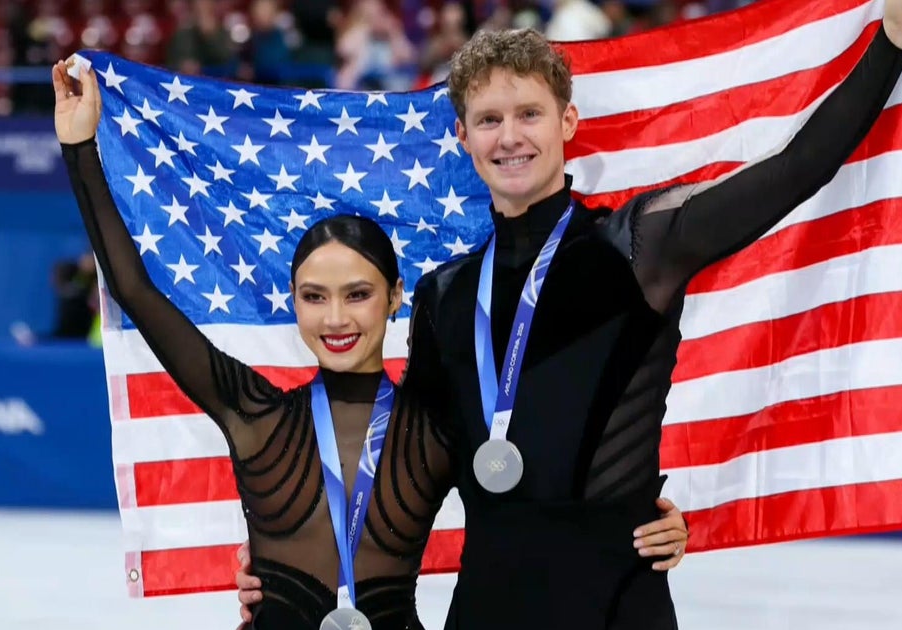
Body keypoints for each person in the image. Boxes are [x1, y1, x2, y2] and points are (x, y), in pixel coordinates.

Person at [246, 2, 902, 628]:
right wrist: (287, 571)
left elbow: (795, 170)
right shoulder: (444, 297)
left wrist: (891, 43)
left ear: (568, 122)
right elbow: (403, 478)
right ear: (463, 136)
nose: (509, 136)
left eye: (529, 114)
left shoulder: (640, 247)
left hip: (619, 604)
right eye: (489, 120)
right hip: (489, 608)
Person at [52, 61, 689, 630]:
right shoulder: (255, 415)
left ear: (394, 298)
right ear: (294, 304)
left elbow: (547, 482)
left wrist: (640, 514)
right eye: (314, 296)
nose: (336, 317)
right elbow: (134, 290)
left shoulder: (436, 433)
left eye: (357, 294)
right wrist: (80, 147)